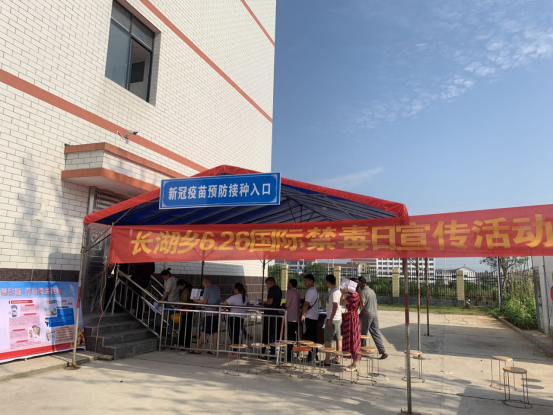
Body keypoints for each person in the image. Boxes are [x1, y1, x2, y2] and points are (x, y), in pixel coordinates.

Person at [358, 276, 388, 359]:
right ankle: (383, 351)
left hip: (367, 314)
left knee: (363, 333)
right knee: (376, 332)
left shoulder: (363, 292)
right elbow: (376, 304)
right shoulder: (372, 291)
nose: (357, 284)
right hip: (374, 314)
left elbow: (363, 304)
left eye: (358, 282)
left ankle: (363, 350)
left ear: (361, 282)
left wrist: (361, 313)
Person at [192, 278, 221, 355]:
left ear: (206, 283)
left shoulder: (207, 288)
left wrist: (196, 301)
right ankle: (214, 349)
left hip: (209, 313)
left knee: (204, 332)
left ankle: (197, 349)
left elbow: (204, 301)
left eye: (203, 285)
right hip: (216, 312)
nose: (204, 287)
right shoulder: (217, 288)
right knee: (215, 332)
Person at [340, 279, 362, 372]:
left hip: (350, 319)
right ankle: (354, 362)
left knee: (352, 340)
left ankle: (354, 363)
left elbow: (341, 302)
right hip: (354, 317)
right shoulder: (357, 295)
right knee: (354, 339)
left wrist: (343, 293)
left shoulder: (352, 296)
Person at [222, 283, 249, 357]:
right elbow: (248, 303)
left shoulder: (234, 297)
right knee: (236, 334)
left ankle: (234, 351)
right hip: (241, 317)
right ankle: (235, 350)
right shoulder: (245, 297)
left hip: (233, 317)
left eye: (234, 288)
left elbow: (224, 303)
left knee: (233, 334)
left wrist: (224, 310)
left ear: (236, 289)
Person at [324, 275, 342, 366]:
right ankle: (338, 358)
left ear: (328, 282)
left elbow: (335, 306)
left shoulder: (334, 292)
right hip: (338, 318)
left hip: (333, 318)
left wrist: (330, 319)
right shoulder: (337, 291)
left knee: (328, 339)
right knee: (338, 338)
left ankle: (327, 360)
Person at [262, 277, 282, 355]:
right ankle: (272, 351)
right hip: (275, 314)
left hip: (270, 314)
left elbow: (270, 302)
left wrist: (263, 303)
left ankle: (264, 351)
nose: (267, 286)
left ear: (270, 282)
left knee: (267, 333)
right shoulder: (279, 289)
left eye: (267, 284)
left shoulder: (272, 290)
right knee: (273, 333)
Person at [301, 274, 319, 361]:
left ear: (312, 281)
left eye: (307, 281)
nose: (305, 282)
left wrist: (303, 314)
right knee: (313, 336)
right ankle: (314, 353)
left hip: (310, 316)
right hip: (314, 316)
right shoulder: (314, 290)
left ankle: (310, 354)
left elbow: (306, 304)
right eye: (304, 281)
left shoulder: (310, 291)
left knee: (309, 337)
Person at [284, 279, 301, 360]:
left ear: (290, 284)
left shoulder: (289, 292)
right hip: (296, 317)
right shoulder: (297, 293)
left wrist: (283, 304)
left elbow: (287, 304)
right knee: (292, 336)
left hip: (289, 317)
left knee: (288, 336)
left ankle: (288, 355)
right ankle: (291, 352)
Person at [176, 279, 193, 350]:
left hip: (186, 310)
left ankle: (182, 344)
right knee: (187, 327)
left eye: (180, 286)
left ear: (183, 285)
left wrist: (178, 308)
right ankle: (185, 344)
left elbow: (184, 301)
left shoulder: (186, 291)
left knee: (184, 327)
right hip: (190, 310)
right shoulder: (190, 289)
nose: (179, 288)